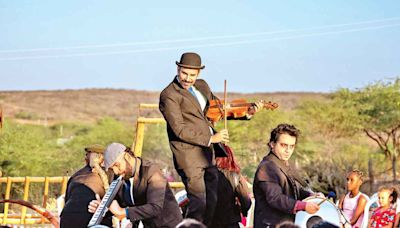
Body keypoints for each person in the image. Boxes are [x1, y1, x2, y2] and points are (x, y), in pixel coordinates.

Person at [159, 52, 262, 225]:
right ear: (178, 69)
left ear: (198, 74)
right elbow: (179, 130)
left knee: (213, 202)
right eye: (184, 73)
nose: (187, 78)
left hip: (208, 156)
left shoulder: (202, 86)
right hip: (188, 157)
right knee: (199, 203)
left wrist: (246, 113)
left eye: (192, 75)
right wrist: (211, 139)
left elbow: (219, 110)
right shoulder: (169, 95)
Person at [88, 142, 183, 228]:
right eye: (112, 169)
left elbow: (155, 207)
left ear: (126, 156)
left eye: (117, 165)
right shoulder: (120, 177)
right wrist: (102, 208)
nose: (116, 171)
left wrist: (124, 212)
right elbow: (119, 205)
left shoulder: (152, 171)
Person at [253, 123, 320, 227]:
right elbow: (275, 198)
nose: (288, 150)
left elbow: (295, 191)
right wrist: (303, 206)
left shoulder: (285, 164)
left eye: (291, 146)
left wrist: (312, 197)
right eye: (283, 145)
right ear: (272, 144)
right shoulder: (266, 167)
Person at [60, 144, 112, 228]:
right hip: (93, 218)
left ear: (86, 158)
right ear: (103, 159)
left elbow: (67, 199)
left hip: (67, 218)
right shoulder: (110, 173)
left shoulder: (76, 175)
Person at [210, 146, 252, 228]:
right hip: (230, 221)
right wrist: (242, 211)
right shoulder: (235, 176)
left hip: (210, 221)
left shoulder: (205, 175)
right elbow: (246, 202)